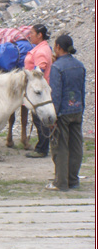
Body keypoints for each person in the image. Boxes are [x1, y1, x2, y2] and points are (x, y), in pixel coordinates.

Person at [45, 35, 86, 192]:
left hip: (62, 112)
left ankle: (60, 183)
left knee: (60, 147)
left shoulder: (57, 68)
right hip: (76, 109)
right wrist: (81, 108)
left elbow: (55, 93)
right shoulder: (79, 65)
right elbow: (82, 90)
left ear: (58, 47)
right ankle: (73, 180)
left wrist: (53, 116)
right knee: (76, 146)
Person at [24, 24, 54, 159]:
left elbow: (39, 70)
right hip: (40, 89)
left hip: (38, 90)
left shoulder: (41, 51)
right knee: (38, 119)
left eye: (32, 33)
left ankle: (42, 148)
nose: (29, 35)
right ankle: (43, 145)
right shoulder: (43, 48)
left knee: (39, 118)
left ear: (39, 35)